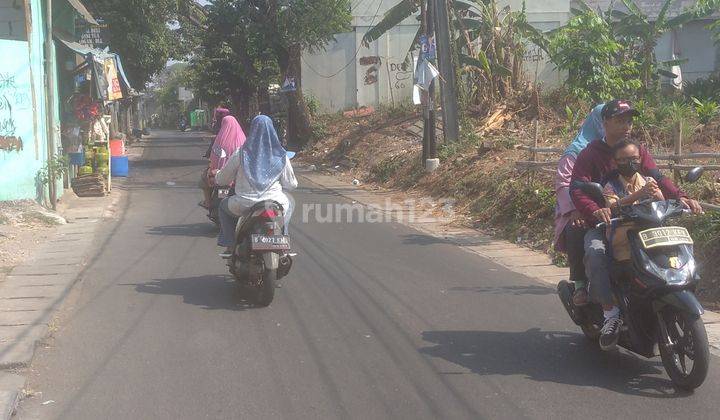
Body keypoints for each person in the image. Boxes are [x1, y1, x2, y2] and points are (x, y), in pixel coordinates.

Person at [569, 99, 704, 351]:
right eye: (620, 120)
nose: (626, 126)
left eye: (629, 120)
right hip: (605, 224)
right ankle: (610, 313)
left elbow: (658, 178)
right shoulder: (591, 153)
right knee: (597, 254)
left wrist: (682, 197)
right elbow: (577, 189)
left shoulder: (636, 149)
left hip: (642, 220)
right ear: (605, 122)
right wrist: (595, 211)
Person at [214, 115, 297, 255]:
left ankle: (229, 244)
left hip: (244, 204)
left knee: (223, 207)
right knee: (289, 205)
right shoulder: (281, 155)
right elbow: (291, 184)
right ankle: (282, 240)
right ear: (272, 131)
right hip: (275, 203)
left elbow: (222, 180)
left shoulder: (240, 153)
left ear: (252, 130)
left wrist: (217, 176)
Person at [554, 103, 605, 306]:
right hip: (579, 208)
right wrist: (576, 210)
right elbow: (563, 184)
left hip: (613, 206)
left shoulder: (617, 149)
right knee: (576, 229)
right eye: (606, 121)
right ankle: (580, 284)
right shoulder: (576, 151)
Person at [602, 139, 665, 262]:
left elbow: (662, 204)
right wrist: (639, 193)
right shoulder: (610, 186)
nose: (630, 163)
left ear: (640, 159)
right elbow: (613, 207)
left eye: (634, 159)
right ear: (615, 163)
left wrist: (658, 196)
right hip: (624, 240)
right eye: (623, 160)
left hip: (651, 235)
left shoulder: (649, 181)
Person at [199, 116, 246, 209]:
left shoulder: (220, 139)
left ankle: (208, 202)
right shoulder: (243, 139)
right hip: (241, 178)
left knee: (204, 178)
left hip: (223, 178)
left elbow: (213, 157)